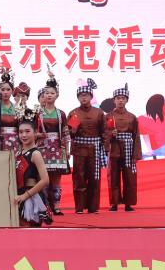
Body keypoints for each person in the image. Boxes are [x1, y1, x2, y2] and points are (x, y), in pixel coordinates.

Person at [67, 79, 107, 214]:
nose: (83, 98)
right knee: (79, 177)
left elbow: (104, 131)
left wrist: (105, 148)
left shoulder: (99, 112)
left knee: (94, 177)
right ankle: (79, 207)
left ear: (91, 97)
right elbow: (68, 134)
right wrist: (73, 130)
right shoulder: (74, 113)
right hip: (79, 148)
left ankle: (93, 207)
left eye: (86, 95)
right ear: (78, 98)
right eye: (81, 95)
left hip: (95, 149)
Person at [34, 77, 70, 215]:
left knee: (56, 179)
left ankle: (56, 206)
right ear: (43, 95)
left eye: (52, 93)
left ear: (57, 95)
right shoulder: (37, 113)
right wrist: (38, 135)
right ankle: (44, 207)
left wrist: (67, 149)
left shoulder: (61, 114)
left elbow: (65, 133)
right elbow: (33, 131)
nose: (49, 95)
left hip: (57, 148)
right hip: (42, 148)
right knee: (42, 178)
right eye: (46, 93)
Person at [105, 84, 142, 212]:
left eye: (123, 98)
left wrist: (136, 154)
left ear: (127, 100)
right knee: (113, 175)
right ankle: (114, 203)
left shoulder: (132, 117)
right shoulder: (108, 116)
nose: (120, 100)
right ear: (114, 100)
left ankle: (128, 203)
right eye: (118, 98)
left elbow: (136, 135)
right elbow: (103, 134)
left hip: (128, 147)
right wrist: (110, 134)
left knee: (129, 176)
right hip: (114, 148)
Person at [14, 113, 53, 227]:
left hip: (30, 198)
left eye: (27, 131)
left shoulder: (35, 154)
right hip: (18, 196)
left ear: (35, 133)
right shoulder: (17, 154)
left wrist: (25, 196)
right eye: (21, 132)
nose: (24, 135)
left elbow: (45, 180)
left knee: (28, 230)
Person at [0, 69, 21, 152]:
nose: (5, 92)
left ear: (12, 91)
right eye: (3, 89)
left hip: (15, 140)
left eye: (8, 90)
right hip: (0, 140)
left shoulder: (18, 109)